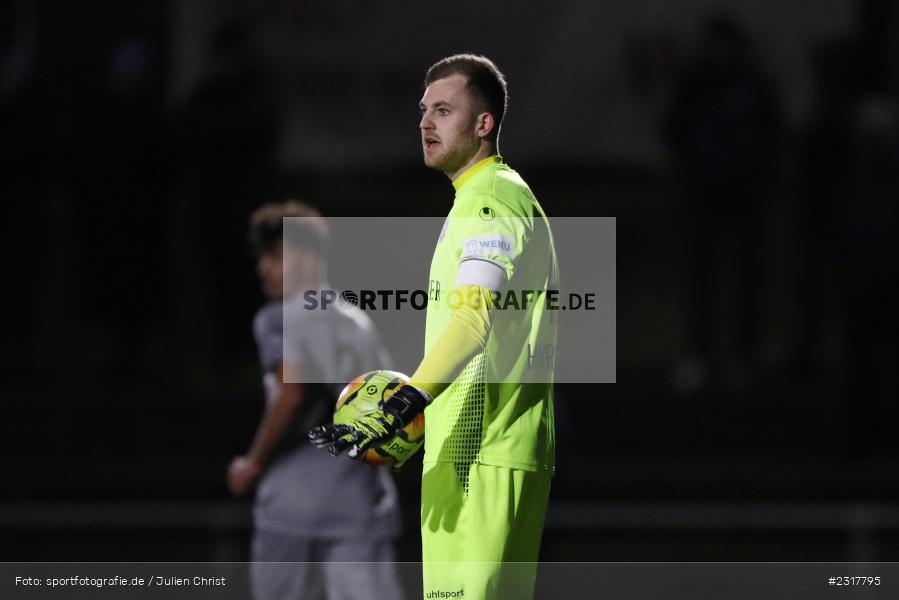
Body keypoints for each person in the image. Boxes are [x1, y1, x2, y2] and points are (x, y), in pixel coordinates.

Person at [310, 54, 558, 600]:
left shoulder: (490, 202)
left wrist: (403, 402)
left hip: (481, 453)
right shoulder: (484, 197)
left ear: (483, 124)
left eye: (444, 111)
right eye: (424, 110)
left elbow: (472, 323)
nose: (425, 123)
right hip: (474, 450)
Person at [230, 201, 403, 600]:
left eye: (274, 257)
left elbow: (292, 393)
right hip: (360, 504)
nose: (264, 269)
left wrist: (253, 462)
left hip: (291, 504)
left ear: (308, 258)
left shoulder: (278, 318)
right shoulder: (359, 323)